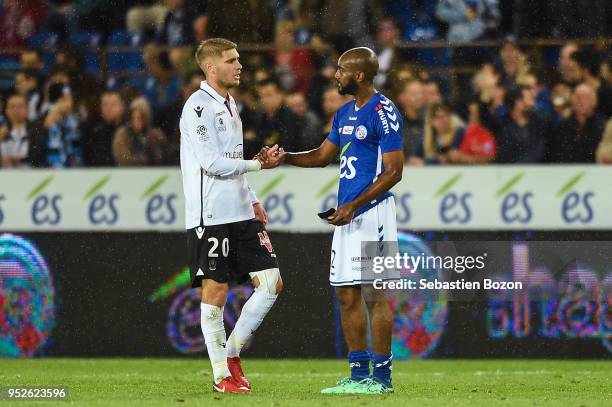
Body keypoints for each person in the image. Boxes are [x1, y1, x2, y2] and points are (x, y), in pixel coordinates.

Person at [280, 47, 403, 394]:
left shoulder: (384, 111)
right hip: (346, 214)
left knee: (376, 294)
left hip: (373, 212)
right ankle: (358, 375)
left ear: (359, 75)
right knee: (346, 296)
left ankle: (381, 379)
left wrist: (356, 205)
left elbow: (394, 171)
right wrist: (285, 157)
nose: (336, 75)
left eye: (341, 70)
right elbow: (322, 156)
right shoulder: (344, 113)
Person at [179, 38, 284, 394]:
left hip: (240, 210)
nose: (239, 66)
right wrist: (258, 164)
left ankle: (232, 353)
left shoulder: (230, 103)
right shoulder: (197, 108)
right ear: (211, 67)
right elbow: (210, 162)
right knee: (216, 289)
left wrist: (252, 197)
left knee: (271, 284)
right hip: (211, 214)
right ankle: (221, 376)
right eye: (231, 60)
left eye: (238, 59)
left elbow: (231, 156)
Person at [112, 97, 167, 166]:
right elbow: (123, 158)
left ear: (146, 118)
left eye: (140, 118)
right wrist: (143, 160)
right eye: (133, 118)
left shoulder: (156, 135)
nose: (136, 121)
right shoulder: (122, 134)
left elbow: (162, 157)